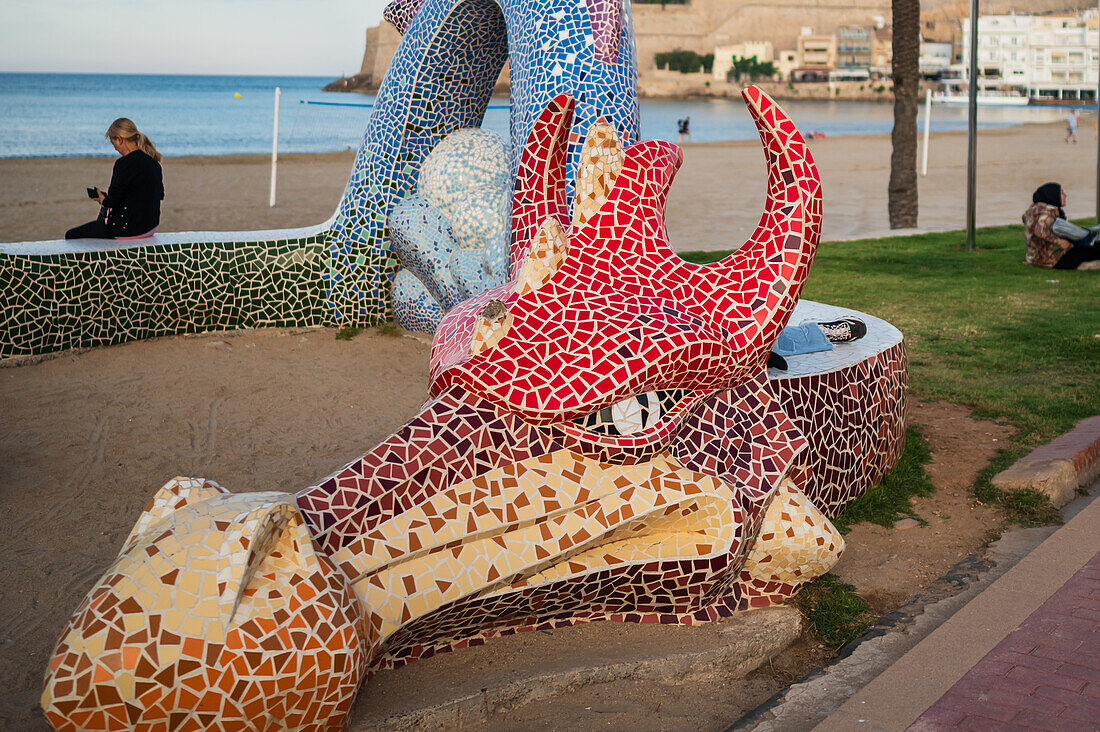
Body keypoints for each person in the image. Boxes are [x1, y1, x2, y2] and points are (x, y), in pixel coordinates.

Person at [66, 118, 164, 240]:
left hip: (128, 230)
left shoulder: (123, 164)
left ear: (119, 139)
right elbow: (158, 194)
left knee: (70, 235)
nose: (115, 148)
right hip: (150, 227)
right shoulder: (155, 163)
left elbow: (111, 202)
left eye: (113, 143)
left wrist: (102, 199)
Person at [1022, 182, 1100, 270]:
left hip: (1037, 258)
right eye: (1062, 193)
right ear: (1053, 195)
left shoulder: (1034, 210)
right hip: (1056, 259)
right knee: (1095, 248)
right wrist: (1059, 242)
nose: (1065, 195)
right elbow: (1039, 231)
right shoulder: (1047, 213)